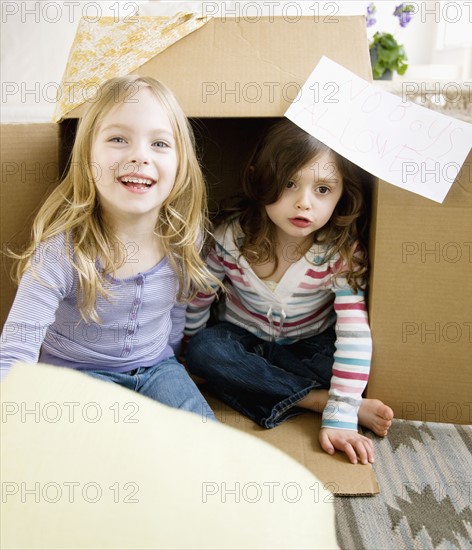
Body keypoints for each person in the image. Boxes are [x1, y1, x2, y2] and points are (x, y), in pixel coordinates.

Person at [0, 75, 217, 419]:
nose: (139, 156)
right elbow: (17, 348)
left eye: (159, 144)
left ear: (181, 165)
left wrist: (178, 365)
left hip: (158, 369)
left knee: (206, 445)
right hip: (76, 374)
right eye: (118, 139)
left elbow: (177, 312)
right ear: (87, 157)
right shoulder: (61, 252)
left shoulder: (185, 239)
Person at [184, 118, 394, 463]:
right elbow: (200, 295)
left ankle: (307, 394)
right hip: (240, 341)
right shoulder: (230, 237)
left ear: (342, 196)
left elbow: (354, 333)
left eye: (323, 190)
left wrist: (341, 416)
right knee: (207, 352)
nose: (304, 203)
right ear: (260, 178)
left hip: (306, 347)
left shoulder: (340, 252)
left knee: (348, 359)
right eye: (289, 183)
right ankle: (316, 400)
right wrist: (188, 353)